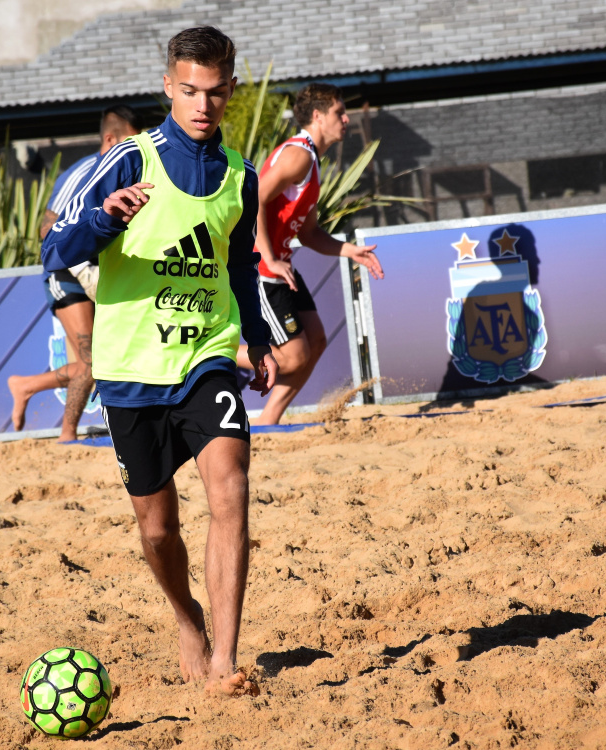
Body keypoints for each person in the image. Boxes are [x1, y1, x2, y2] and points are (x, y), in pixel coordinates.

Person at [41, 26, 277, 697]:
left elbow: (239, 264)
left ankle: (225, 663)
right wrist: (104, 220)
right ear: (169, 86)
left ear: (231, 91)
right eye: (189, 91)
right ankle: (186, 617)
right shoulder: (128, 161)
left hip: (206, 356)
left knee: (230, 488)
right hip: (131, 367)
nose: (203, 105)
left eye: (215, 92)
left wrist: (256, 335)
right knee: (157, 529)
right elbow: (53, 251)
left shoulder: (242, 177)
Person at [235, 83, 384, 425]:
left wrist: (350, 250)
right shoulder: (299, 154)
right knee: (292, 357)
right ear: (317, 116)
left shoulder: (312, 161)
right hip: (261, 266)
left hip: (279, 263)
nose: (346, 119)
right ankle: (204, 353)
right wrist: (269, 257)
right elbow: (252, 199)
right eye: (339, 113)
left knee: (315, 342)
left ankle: (267, 423)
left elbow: (309, 233)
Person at [7, 105, 142, 441]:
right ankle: (67, 436)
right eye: (130, 142)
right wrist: (82, 260)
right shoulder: (84, 172)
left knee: (107, 359)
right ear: (109, 140)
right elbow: (47, 229)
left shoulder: (136, 170)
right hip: (68, 272)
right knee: (91, 362)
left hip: (105, 272)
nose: (136, 149)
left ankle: (27, 385)